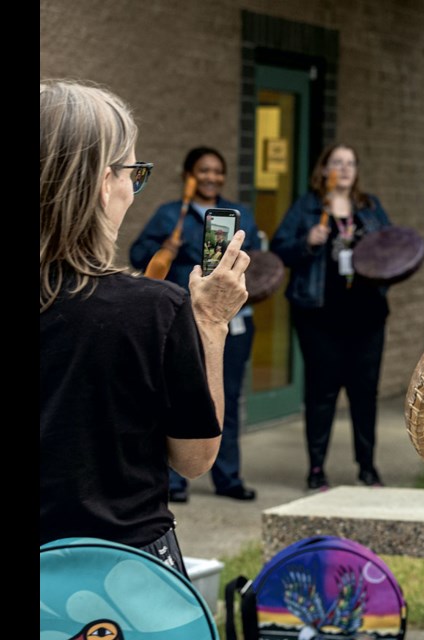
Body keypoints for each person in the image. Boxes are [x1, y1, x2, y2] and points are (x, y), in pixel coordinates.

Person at [40, 81, 250, 573]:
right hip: (120, 578)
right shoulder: (153, 310)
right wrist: (211, 322)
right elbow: (195, 458)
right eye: (133, 174)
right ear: (101, 183)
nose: (132, 191)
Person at [130, 147, 260, 503]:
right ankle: (177, 480)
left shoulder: (240, 214)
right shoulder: (170, 215)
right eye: (203, 170)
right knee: (178, 397)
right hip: (180, 320)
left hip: (232, 321)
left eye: (218, 171)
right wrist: (167, 248)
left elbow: (257, 261)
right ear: (189, 174)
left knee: (226, 397)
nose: (211, 177)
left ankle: (228, 477)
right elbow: (138, 256)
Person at [272, 143, 392, 491]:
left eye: (351, 162)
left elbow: (392, 251)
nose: (345, 168)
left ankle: (368, 468)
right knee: (321, 394)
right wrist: (308, 241)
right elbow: (280, 250)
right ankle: (315, 470)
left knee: (364, 393)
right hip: (319, 316)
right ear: (324, 170)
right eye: (337, 162)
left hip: (367, 316)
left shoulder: (370, 207)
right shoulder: (307, 208)